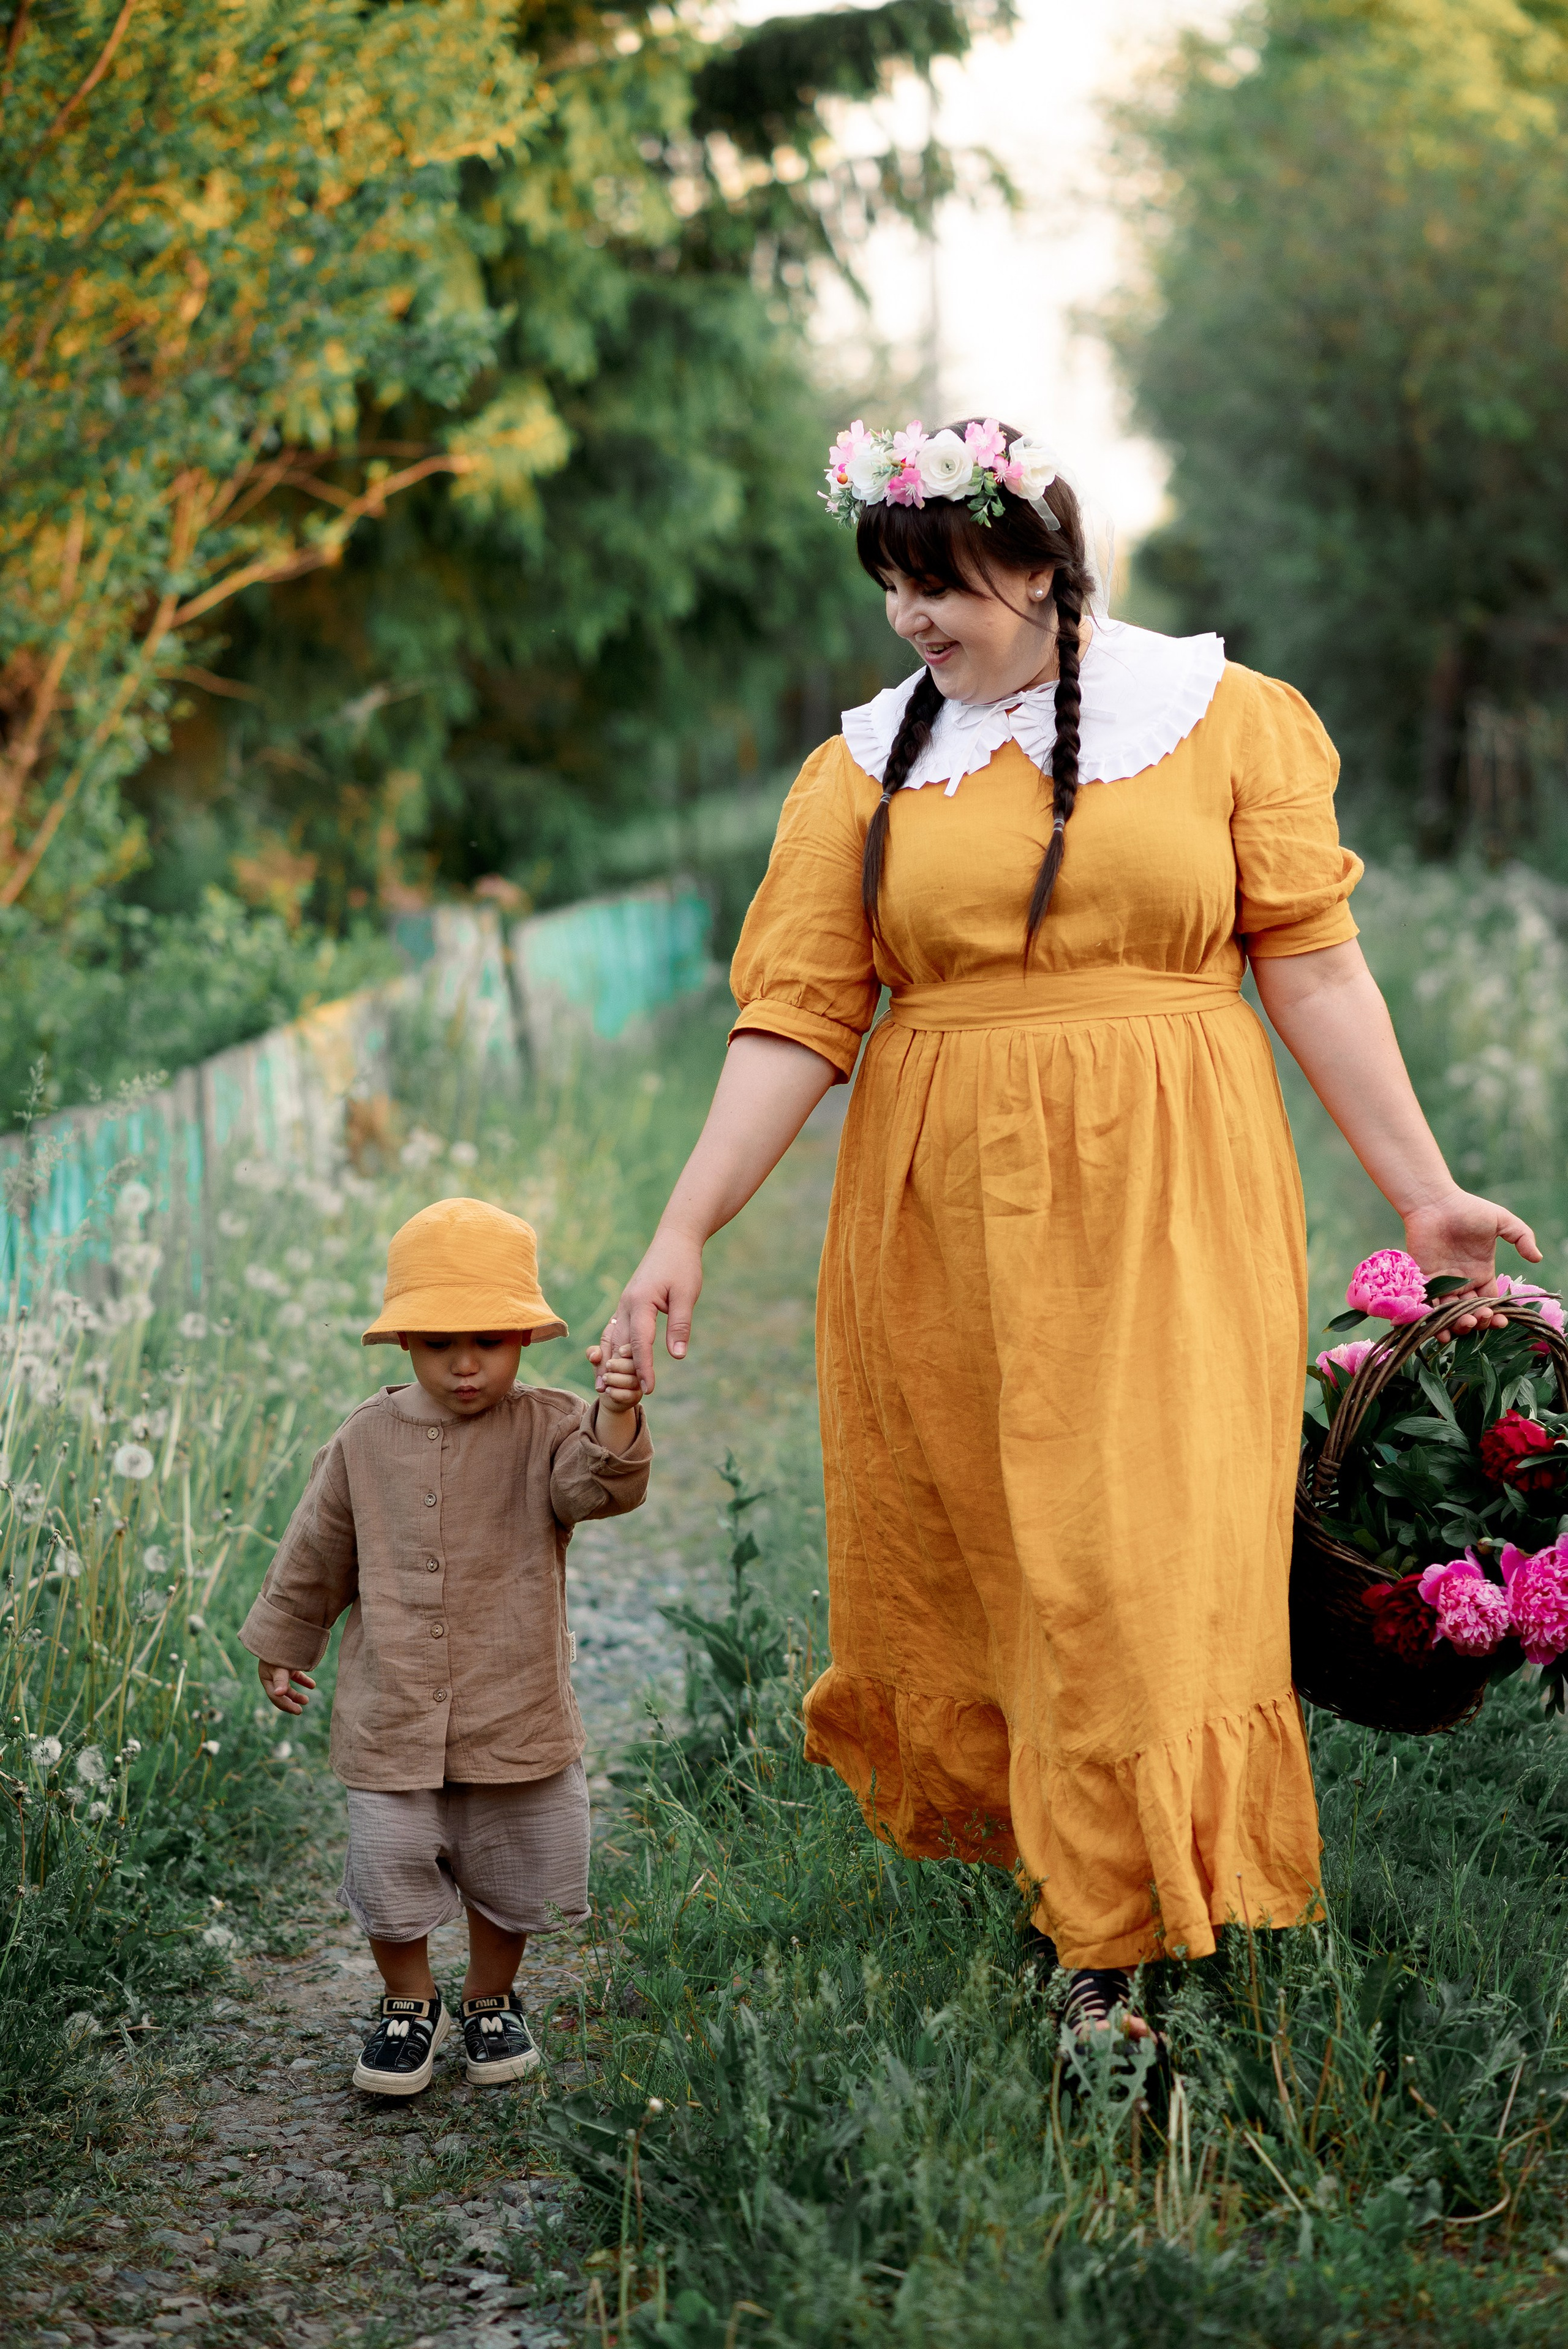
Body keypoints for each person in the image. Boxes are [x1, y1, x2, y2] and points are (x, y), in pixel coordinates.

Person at [603, 417, 1538, 2038]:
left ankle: (1113, 1943)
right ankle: (1092, 1904)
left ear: (1042, 568)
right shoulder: (858, 771)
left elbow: (1314, 963)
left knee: (1139, 1544)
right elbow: (796, 1020)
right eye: (889, 583)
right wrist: (684, 1225)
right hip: (942, 1216)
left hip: (1174, 1196)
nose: (910, 614)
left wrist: (1423, 1188)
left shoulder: (1220, 718)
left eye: (940, 580)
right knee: (1011, 1549)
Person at [242, 1196, 650, 2096]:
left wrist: (617, 1411)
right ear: (402, 1343)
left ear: (525, 1338)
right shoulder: (364, 1438)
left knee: (516, 1859)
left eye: (489, 1343)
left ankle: (491, 1998)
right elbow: (318, 1548)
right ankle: (408, 2001)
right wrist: (286, 1639)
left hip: (515, 1705)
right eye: (438, 1344)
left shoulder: (550, 1426)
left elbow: (597, 1488)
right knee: (389, 1862)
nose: (466, 1366)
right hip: (392, 1710)